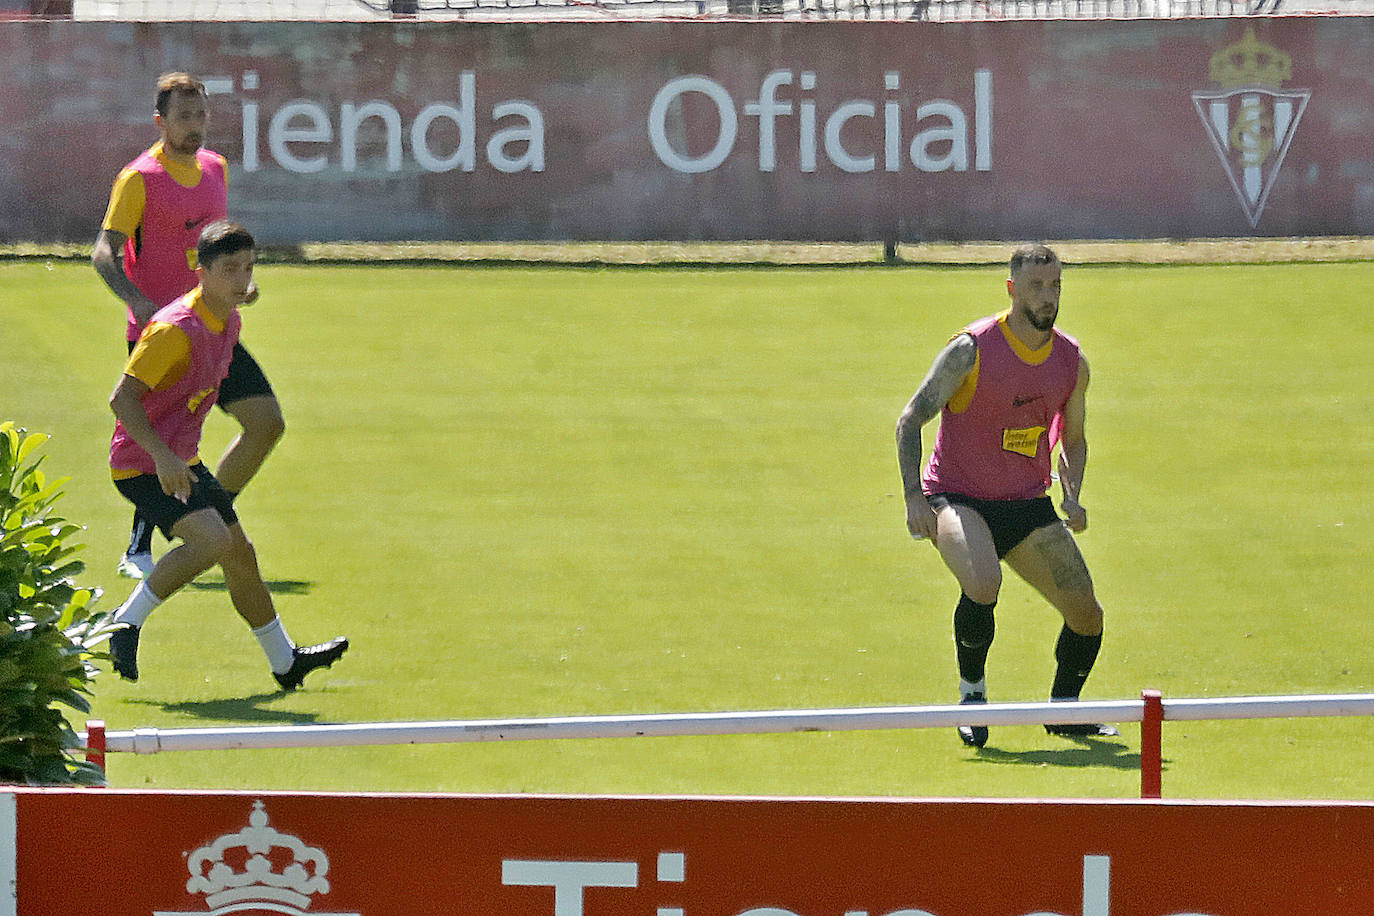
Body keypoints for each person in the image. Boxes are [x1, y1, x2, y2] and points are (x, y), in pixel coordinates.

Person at [107, 220, 347, 691]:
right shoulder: (173, 331)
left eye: (249, 268)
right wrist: (163, 458)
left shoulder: (227, 318)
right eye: (230, 269)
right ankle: (125, 622)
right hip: (142, 464)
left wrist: (178, 458)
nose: (242, 280)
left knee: (241, 555)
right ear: (202, 271)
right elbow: (122, 400)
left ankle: (285, 662)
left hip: (183, 461)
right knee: (213, 541)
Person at [895, 243, 1118, 747]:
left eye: (1056, 285)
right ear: (1012, 289)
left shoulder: (1071, 362)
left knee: (1088, 615)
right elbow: (911, 419)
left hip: (1027, 503)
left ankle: (1063, 712)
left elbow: (1074, 438)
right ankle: (972, 696)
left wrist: (1074, 493)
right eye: (1037, 286)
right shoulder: (971, 349)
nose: (1048, 296)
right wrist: (913, 496)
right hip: (957, 497)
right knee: (983, 581)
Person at [93, 71, 284, 581]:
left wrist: (238, 282)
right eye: (184, 117)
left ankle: (205, 516)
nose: (195, 126)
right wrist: (139, 301)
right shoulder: (139, 179)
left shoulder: (215, 169)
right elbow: (103, 251)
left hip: (215, 330)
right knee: (163, 443)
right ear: (160, 122)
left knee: (267, 424)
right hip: (165, 338)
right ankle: (143, 542)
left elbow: (216, 251)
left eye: (201, 115)